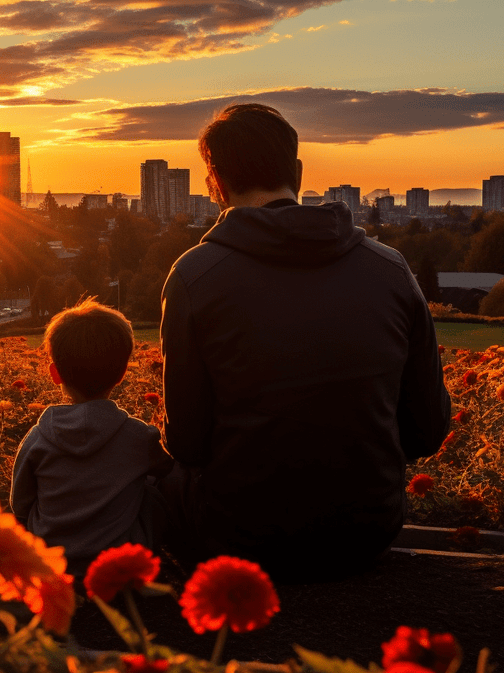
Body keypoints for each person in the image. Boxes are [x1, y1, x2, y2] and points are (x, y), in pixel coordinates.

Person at [160, 104, 451, 582]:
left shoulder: (195, 276)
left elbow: (186, 444)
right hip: (367, 533)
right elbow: (426, 431)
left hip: (240, 539)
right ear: (297, 171)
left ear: (214, 183)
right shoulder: (390, 268)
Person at [10, 299, 173, 575]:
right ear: (122, 374)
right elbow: (167, 469)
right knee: (153, 489)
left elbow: (20, 504)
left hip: (53, 562)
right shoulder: (138, 437)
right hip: (119, 563)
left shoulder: (37, 438)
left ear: (55, 374)